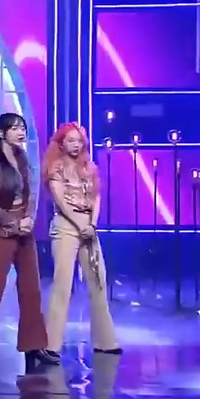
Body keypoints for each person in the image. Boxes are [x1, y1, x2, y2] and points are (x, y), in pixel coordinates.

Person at [0, 113, 60, 373]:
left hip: (24, 232)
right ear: (1, 133)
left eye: (23, 128)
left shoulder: (22, 158)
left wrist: (29, 217)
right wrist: (12, 222)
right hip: (2, 232)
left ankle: (34, 345)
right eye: (15, 128)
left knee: (31, 289)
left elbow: (30, 194)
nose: (21, 132)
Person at [42, 123, 121, 357]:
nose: (76, 145)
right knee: (63, 285)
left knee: (98, 281)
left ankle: (105, 341)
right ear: (61, 144)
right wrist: (80, 225)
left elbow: (96, 198)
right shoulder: (55, 168)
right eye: (71, 141)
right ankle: (51, 344)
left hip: (88, 226)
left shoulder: (89, 167)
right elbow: (60, 201)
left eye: (79, 140)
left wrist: (92, 225)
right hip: (66, 225)